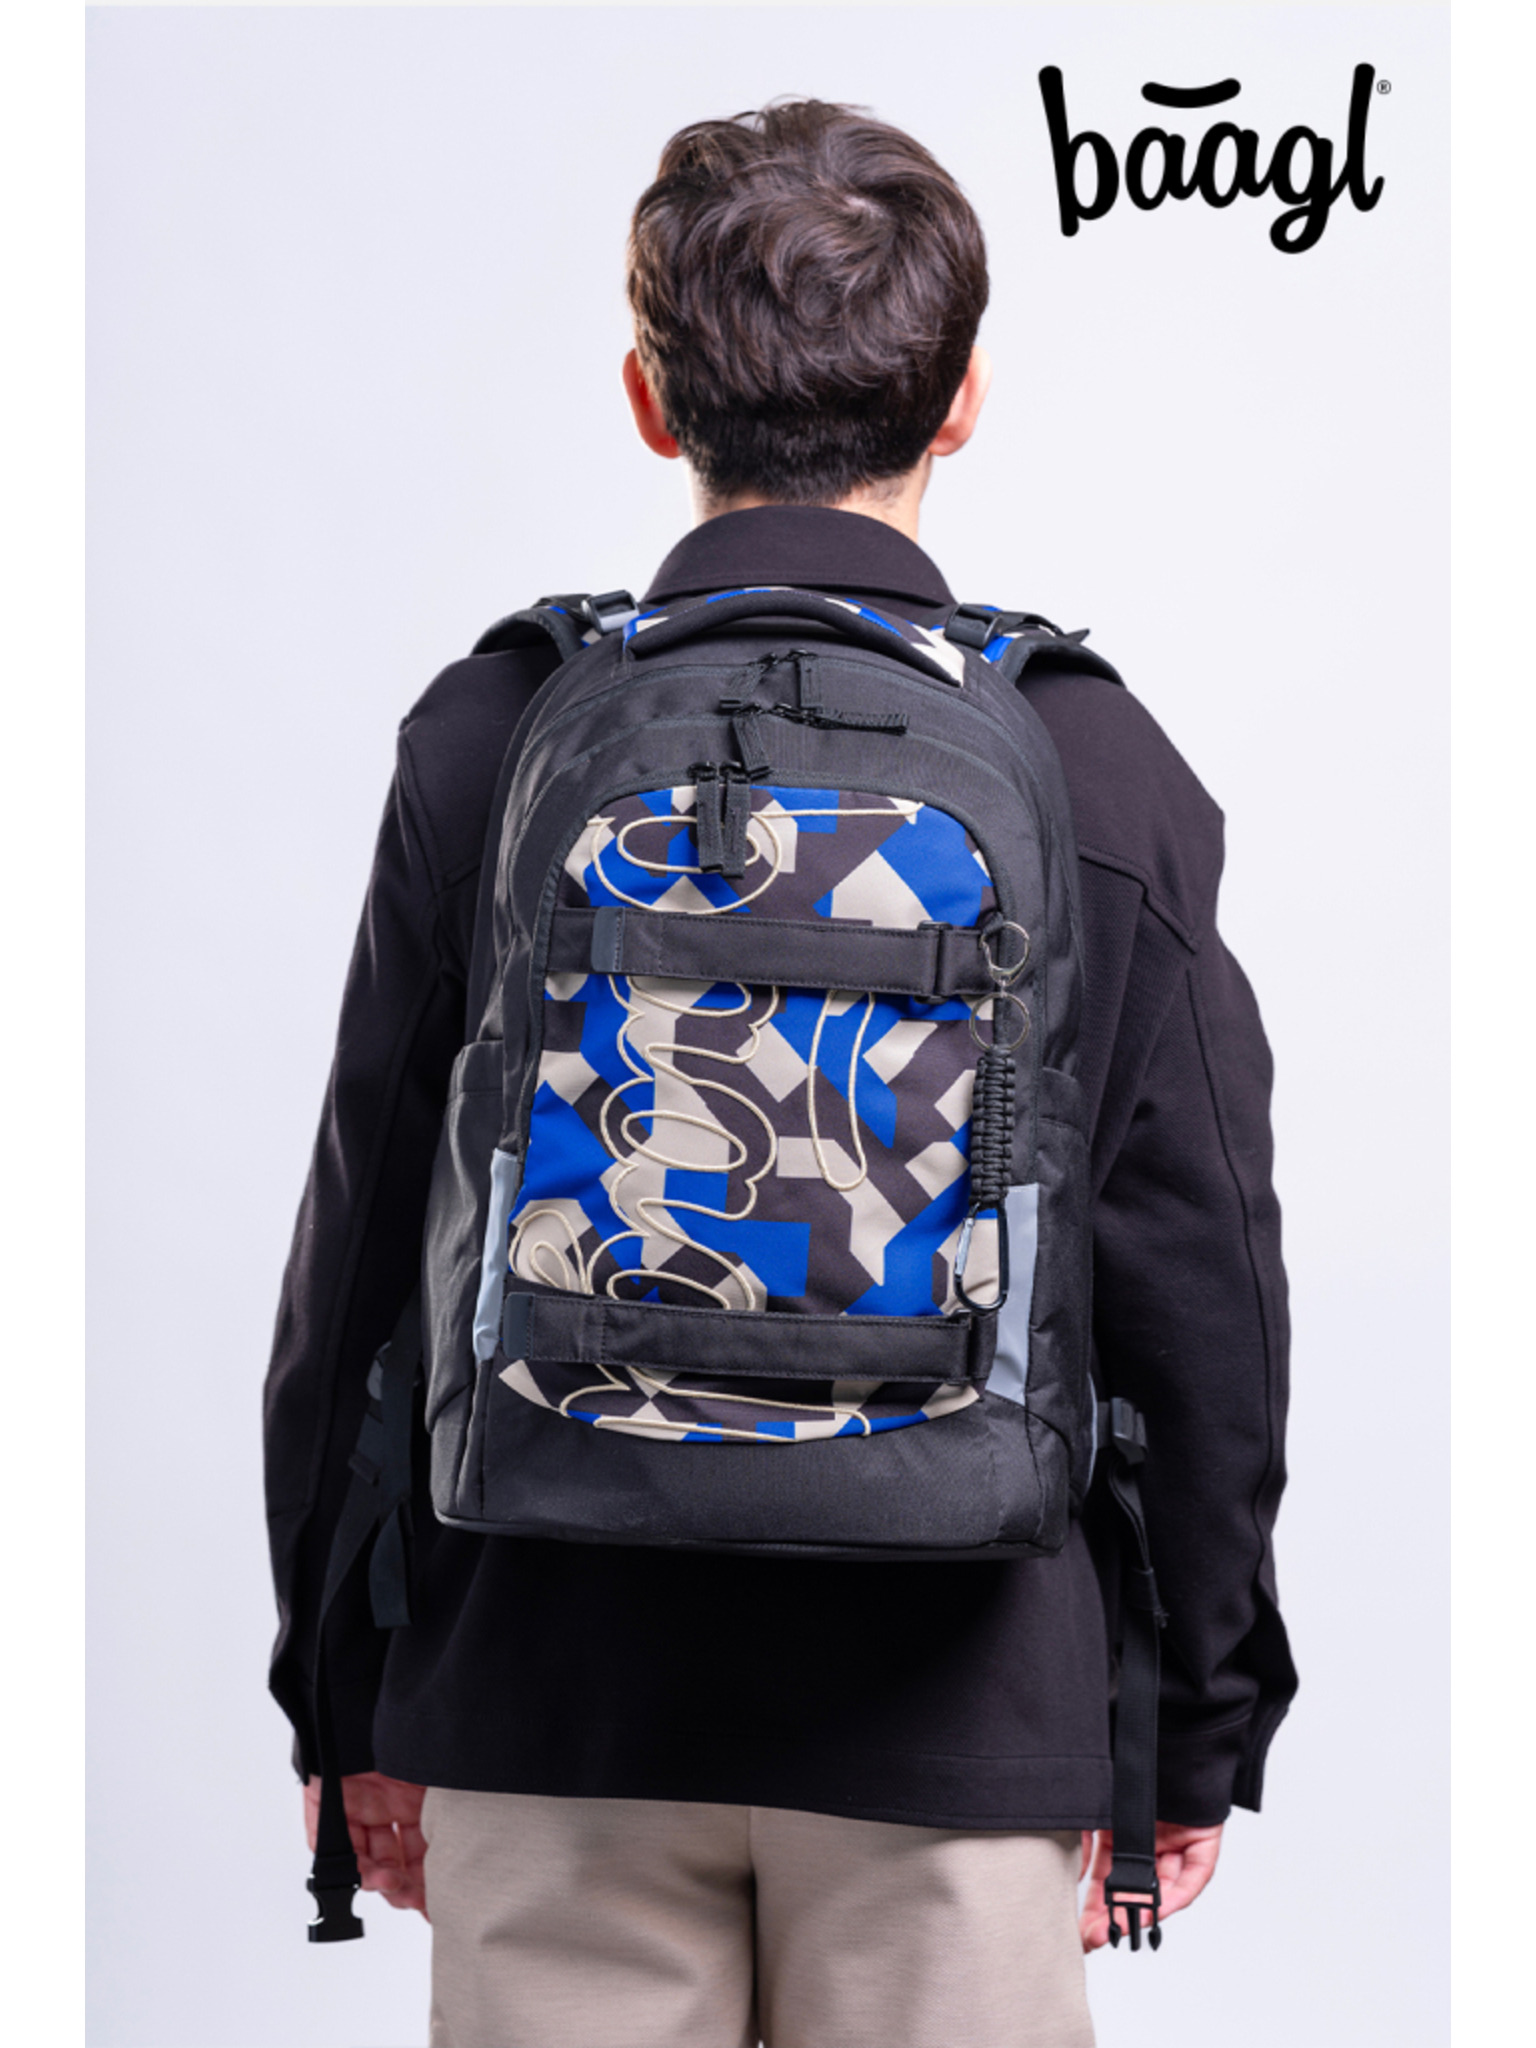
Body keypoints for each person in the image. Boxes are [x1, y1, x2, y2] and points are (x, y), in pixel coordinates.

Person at [266, 98, 1296, 2048]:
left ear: (650, 396)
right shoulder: (1092, 767)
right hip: (962, 1717)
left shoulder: (495, 735)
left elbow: (362, 1253)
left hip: (547, 1700)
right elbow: (1203, 1287)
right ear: (963, 398)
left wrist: (349, 1696)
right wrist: (1185, 1725)